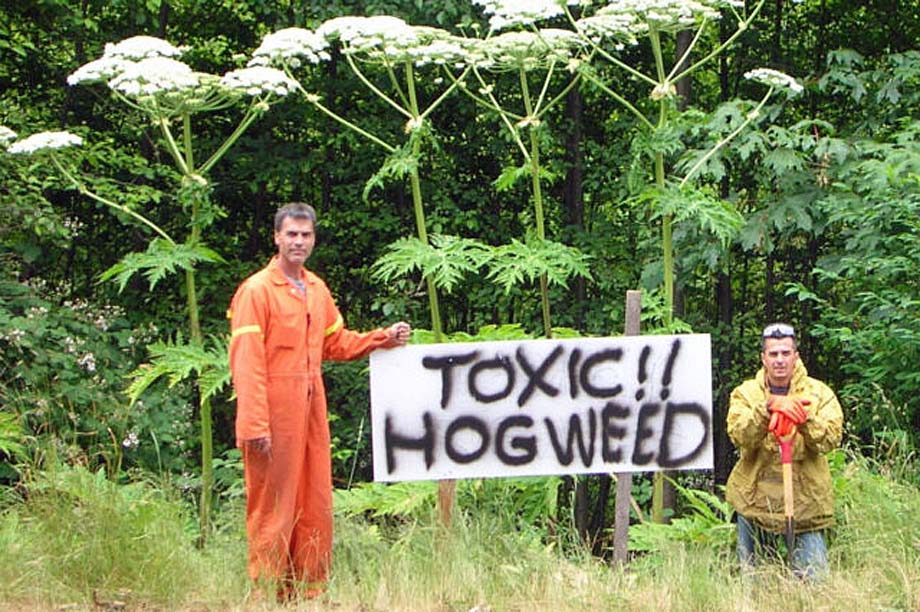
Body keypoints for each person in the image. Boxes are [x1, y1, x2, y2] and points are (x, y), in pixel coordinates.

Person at [228, 202, 411, 602]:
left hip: (311, 409)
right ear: (276, 237)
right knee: (273, 507)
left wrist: (382, 338)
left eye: (305, 234)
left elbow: (335, 343)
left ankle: (306, 594)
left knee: (314, 503)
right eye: (291, 234)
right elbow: (246, 364)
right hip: (273, 413)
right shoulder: (257, 291)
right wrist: (255, 425)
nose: (298, 241)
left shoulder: (316, 289)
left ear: (313, 239)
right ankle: (265, 594)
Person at [725, 322, 843, 579]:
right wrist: (765, 410)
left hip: (806, 506)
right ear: (763, 358)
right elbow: (738, 435)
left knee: (815, 586)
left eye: (785, 353)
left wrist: (804, 417)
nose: (780, 360)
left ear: (796, 357)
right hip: (754, 505)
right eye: (773, 354)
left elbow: (831, 440)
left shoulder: (818, 394)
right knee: (755, 585)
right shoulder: (746, 394)